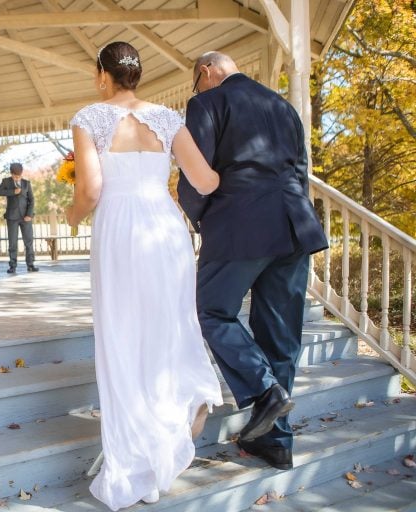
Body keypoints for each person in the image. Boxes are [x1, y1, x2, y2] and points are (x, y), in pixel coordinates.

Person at [65, 41, 223, 510]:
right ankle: (183, 401)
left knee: (122, 335)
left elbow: (90, 190)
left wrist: (73, 216)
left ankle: (139, 455)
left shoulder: (88, 118)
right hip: (165, 229)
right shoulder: (169, 118)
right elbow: (207, 181)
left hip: (119, 230)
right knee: (169, 325)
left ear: (102, 75)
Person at [177, 52, 328, 471]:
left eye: (197, 82)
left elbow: (197, 173)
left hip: (239, 226)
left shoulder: (207, 104)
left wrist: (194, 217)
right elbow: (299, 170)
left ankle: (265, 391)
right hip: (295, 225)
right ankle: (276, 443)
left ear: (206, 72)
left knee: (209, 310)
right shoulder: (283, 106)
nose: (198, 90)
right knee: (280, 335)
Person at [0, 162, 38, 274]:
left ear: (21, 174)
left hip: (26, 217)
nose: (17, 178)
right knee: (12, 242)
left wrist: (29, 214)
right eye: (15, 176)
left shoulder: (26, 183)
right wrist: (12, 192)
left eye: (18, 176)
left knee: (28, 241)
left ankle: (30, 264)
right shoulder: (6, 181)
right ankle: (12, 266)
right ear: (11, 173)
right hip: (12, 217)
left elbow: (31, 200)